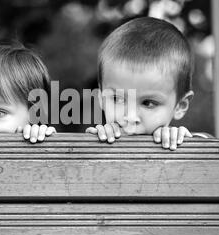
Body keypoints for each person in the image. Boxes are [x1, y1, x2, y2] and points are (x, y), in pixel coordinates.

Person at [86, 17, 211, 150]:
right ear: (101, 98)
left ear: (180, 105)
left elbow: (217, 151)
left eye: (148, 103)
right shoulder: (100, 140)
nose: (130, 117)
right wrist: (91, 144)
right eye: (118, 99)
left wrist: (184, 142)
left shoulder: (177, 144)